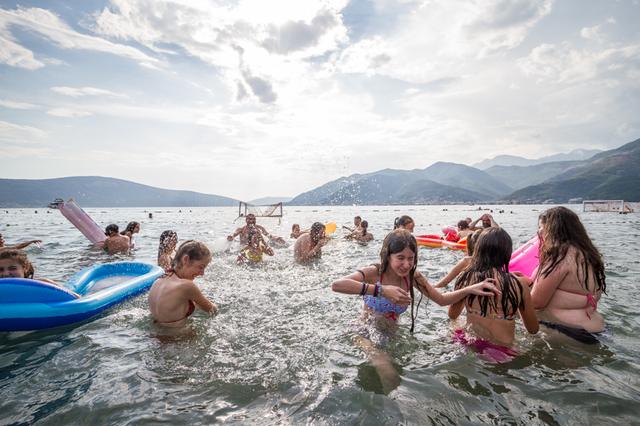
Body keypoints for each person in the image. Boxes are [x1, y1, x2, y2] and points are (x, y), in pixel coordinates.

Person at [331, 230, 500, 391]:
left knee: (402, 372)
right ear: (387, 255)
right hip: (365, 331)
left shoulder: (413, 276)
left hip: (391, 335)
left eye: (411, 258)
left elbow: (441, 300)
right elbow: (337, 285)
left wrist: (470, 289)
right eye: (400, 258)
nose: (406, 264)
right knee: (388, 372)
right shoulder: (375, 273)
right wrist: (382, 290)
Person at [448, 228, 538, 361]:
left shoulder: (466, 277)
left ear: (478, 251)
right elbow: (533, 329)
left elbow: (452, 315)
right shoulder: (519, 284)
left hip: (470, 345)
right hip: (503, 352)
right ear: (507, 254)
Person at [527, 206, 606, 343]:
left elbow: (536, 303)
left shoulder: (560, 257)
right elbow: (595, 297)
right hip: (598, 329)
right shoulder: (589, 255)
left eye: (541, 227)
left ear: (552, 229)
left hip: (568, 332)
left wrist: (519, 287)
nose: (538, 231)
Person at [148, 240, 217, 327]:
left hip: (153, 337)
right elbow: (212, 309)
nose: (202, 273)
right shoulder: (186, 286)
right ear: (186, 259)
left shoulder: (159, 280)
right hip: (178, 338)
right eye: (201, 267)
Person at [0, 249, 67, 289]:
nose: (6, 273)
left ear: (25, 268)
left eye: (12, 268)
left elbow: (74, 299)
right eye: (1, 270)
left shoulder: (43, 284)